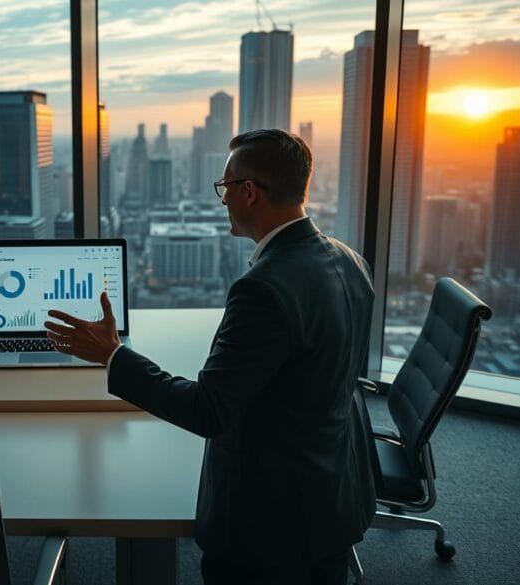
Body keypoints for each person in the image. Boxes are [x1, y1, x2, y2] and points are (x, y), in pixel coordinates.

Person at [44, 129, 376, 584]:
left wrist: (113, 355)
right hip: (335, 493)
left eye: (225, 187)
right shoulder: (350, 260)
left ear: (249, 192)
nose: (222, 200)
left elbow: (208, 410)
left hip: (272, 524)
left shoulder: (264, 289)